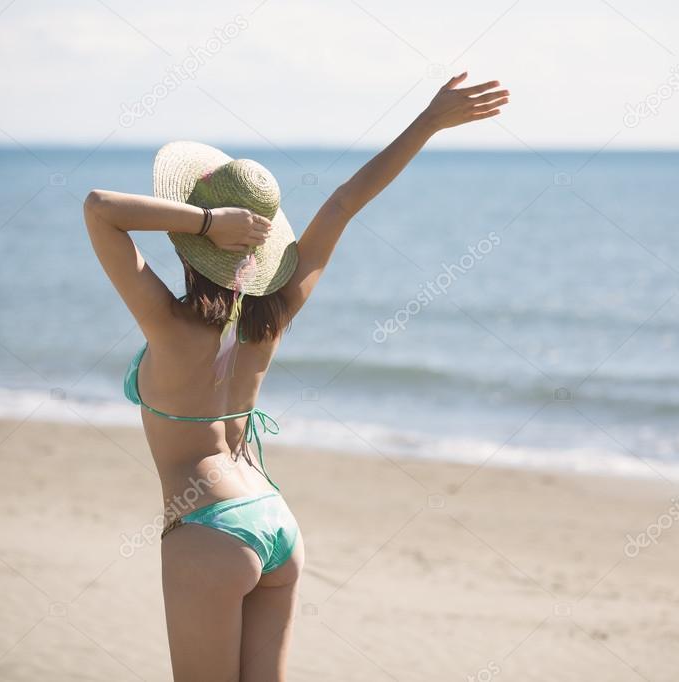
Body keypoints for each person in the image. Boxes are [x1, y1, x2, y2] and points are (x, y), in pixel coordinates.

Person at [83, 72, 509, 681]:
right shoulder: (272, 312)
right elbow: (342, 202)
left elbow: (100, 209)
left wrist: (206, 223)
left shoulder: (168, 325)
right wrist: (429, 121)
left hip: (208, 526)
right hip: (273, 519)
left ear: (187, 240)